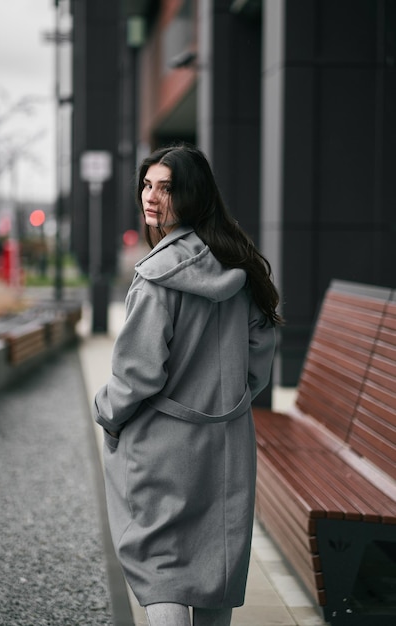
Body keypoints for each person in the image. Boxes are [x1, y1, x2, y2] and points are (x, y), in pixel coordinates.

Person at [94, 144, 282, 626]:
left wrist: (107, 413)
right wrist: (230, 400)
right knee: (214, 565)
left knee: (163, 567)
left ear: (192, 195)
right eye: (148, 184)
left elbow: (137, 375)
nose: (151, 198)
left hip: (164, 442)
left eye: (166, 188)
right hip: (228, 443)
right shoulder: (240, 264)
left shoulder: (157, 277)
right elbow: (261, 352)